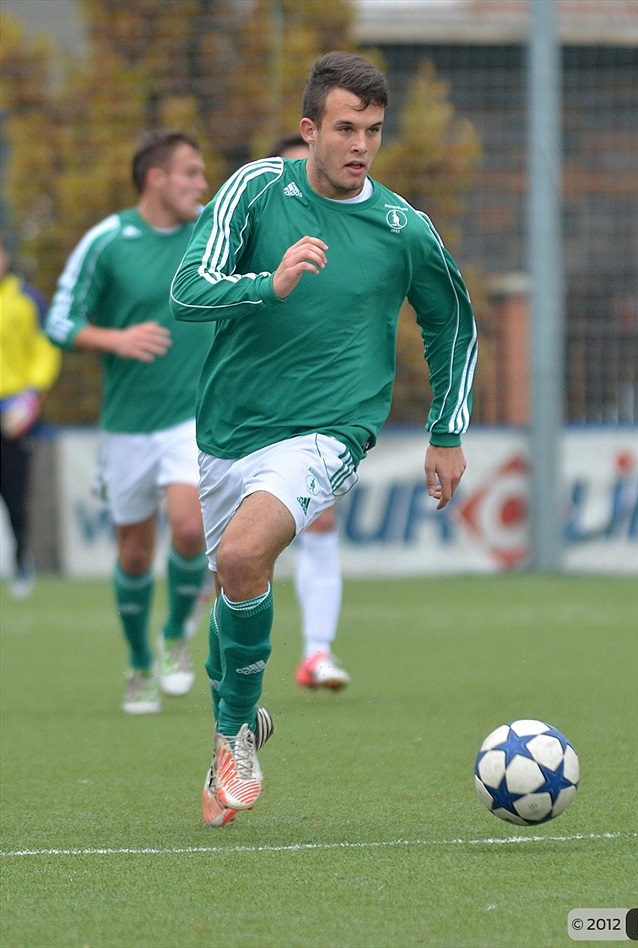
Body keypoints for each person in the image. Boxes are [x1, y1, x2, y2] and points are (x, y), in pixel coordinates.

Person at [170, 51, 478, 827]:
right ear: (308, 131)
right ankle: (238, 718)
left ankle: (233, 733)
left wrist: (447, 430)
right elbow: (187, 290)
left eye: (373, 130)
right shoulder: (256, 189)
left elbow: (451, 321)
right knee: (231, 584)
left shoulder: (403, 227)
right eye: (345, 127)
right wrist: (265, 284)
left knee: (242, 558)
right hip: (230, 428)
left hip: (331, 430)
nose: (361, 144)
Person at [46, 131, 212, 715]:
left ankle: (175, 639)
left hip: (191, 417)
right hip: (126, 425)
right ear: (156, 179)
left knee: (190, 529)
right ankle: (139, 662)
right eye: (190, 172)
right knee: (135, 554)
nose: (201, 183)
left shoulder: (211, 234)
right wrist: (116, 337)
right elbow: (60, 321)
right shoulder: (109, 240)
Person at [267, 133, 349, 692]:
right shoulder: (249, 229)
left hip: (316, 405)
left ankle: (317, 655)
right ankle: (183, 634)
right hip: (246, 407)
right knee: (227, 553)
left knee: (321, 519)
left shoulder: (348, 238)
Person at [0, 232, 62, 599]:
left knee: (15, 494)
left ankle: (23, 561)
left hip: (14, 411)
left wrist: (31, 397)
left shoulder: (27, 299)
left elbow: (45, 348)